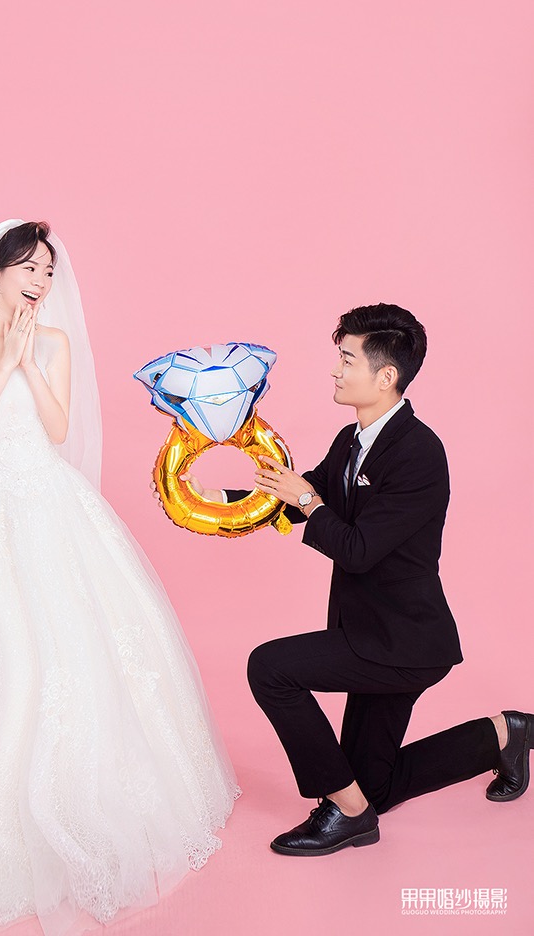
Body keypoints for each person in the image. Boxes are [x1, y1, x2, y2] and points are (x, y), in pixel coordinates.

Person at [0, 220, 239, 933]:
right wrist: (4, 360)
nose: (40, 280)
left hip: (51, 502)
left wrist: (30, 362)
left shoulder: (56, 342)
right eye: (28, 268)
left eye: (47, 269)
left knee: (77, 650)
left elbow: (59, 428)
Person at [159, 303, 532, 856]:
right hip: (366, 631)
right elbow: (301, 496)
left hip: (403, 641)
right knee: (374, 786)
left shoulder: (420, 452)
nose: (335, 370)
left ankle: (345, 812)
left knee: (269, 667)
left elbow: (355, 547)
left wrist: (309, 500)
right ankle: (505, 733)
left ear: (386, 376)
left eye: (347, 359)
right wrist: (215, 498)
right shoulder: (351, 440)